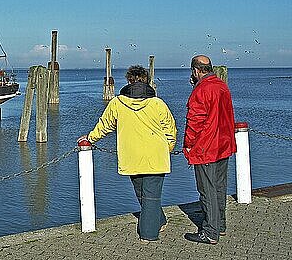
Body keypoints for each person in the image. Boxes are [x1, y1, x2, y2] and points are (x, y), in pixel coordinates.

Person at [79, 65, 176, 243]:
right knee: (151, 195)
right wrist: (167, 148)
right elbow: (170, 130)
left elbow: (105, 125)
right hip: (156, 156)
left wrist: (90, 138)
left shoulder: (117, 103)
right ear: (146, 80)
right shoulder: (158, 103)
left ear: (129, 81)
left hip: (131, 156)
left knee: (142, 194)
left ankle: (153, 227)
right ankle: (150, 231)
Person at [183, 55, 236, 245]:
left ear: (196, 70)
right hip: (223, 144)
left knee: (207, 190)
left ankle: (210, 231)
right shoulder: (222, 86)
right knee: (219, 187)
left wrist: (188, 145)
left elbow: (195, 122)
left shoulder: (201, 90)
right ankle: (219, 225)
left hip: (206, 147)